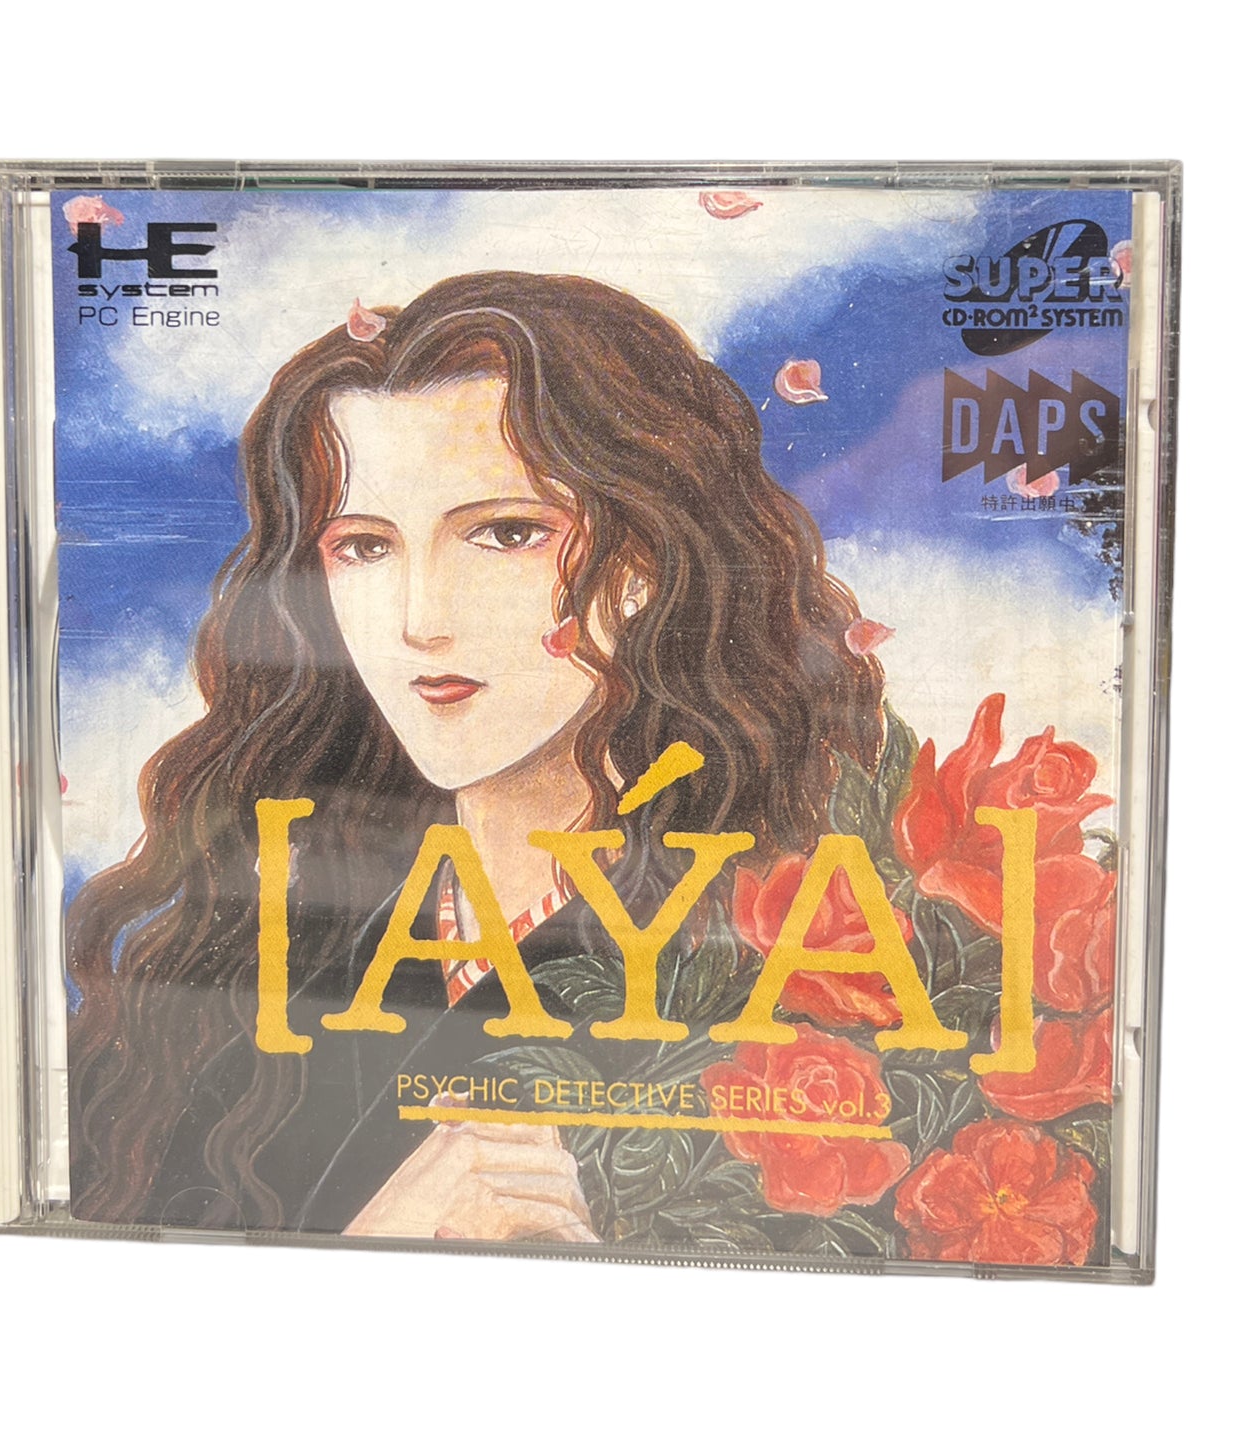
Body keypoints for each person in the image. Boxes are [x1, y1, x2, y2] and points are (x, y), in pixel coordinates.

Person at [66, 271, 884, 1240]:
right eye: (363, 546)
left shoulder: (792, 926)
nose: (420, 620)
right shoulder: (267, 933)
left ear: (647, 560)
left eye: (504, 532)